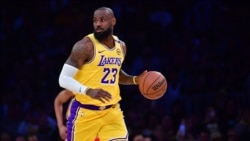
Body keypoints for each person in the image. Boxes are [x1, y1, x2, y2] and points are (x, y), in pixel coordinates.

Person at [58, 7, 146, 141]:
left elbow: (116, 74)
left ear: (113, 21)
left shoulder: (121, 46)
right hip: (85, 114)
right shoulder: (85, 46)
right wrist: (88, 91)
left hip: (112, 112)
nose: (98, 24)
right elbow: (63, 79)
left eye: (102, 20)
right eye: (95, 20)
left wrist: (135, 80)